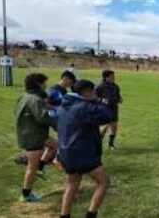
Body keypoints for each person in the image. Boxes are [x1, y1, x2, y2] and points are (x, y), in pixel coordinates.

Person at [58, 80, 111, 218]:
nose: (95, 94)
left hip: (66, 152)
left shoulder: (65, 104)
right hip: (82, 154)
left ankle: (64, 215)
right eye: (93, 92)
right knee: (104, 182)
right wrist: (100, 102)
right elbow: (106, 116)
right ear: (86, 92)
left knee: (72, 184)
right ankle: (91, 215)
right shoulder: (83, 107)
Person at [15, 73, 57, 202]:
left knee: (55, 145)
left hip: (32, 133)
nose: (46, 85)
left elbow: (39, 111)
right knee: (31, 167)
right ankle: (25, 194)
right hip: (33, 137)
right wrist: (57, 120)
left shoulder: (25, 96)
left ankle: (41, 167)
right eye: (44, 82)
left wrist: (50, 108)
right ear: (39, 84)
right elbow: (44, 117)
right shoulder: (36, 99)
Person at [95, 70, 123, 150]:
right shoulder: (99, 87)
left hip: (114, 109)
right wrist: (101, 100)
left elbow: (118, 97)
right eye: (112, 77)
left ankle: (111, 144)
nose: (114, 78)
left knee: (114, 127)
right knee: (104, 127)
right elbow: (93, 97)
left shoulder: (115, 86)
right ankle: (97, 144)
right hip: (103, 109)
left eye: (114, 76)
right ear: (106, 77)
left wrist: (120, 99)